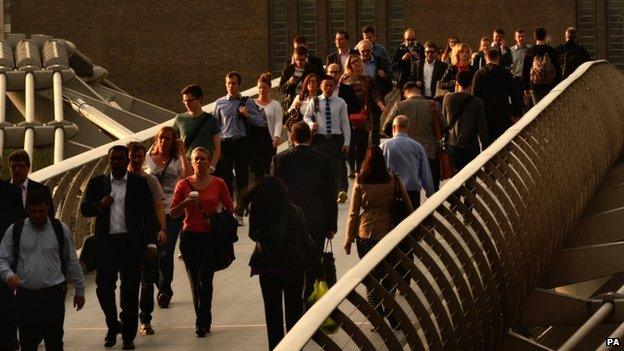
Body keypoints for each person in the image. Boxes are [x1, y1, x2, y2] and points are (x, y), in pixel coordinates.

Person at [80, 145, 158, 350]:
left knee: (130, 291)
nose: (117, 162)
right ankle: (113, 324)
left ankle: (128, 336)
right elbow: (84, 209)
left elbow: (149, 215)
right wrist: (99, 205)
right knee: (104, 288)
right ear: (109, 161)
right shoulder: (98, 183)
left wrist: (151, 242)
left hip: (131, 244)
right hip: (106, 244)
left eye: (120, 159)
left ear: (127, 160)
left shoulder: (139, 183)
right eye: (113, 159)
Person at [0, 188, 85, 351]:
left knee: (54, 342)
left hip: (53, 297)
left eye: (41, 211)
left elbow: (72, 261)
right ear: (27, 210)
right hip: (26, 298)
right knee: (28, 343)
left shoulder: (60, 229)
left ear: (48, 208)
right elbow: (2, 258)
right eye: (33, 212)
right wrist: (8, 274)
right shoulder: (16, 230)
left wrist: (80, 291)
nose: (37, 215)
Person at [243, 176, 321, 350]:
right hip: (293, 266)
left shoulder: (258, 212)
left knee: (273, 315)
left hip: (267, 267)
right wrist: (317, 267)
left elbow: (253, 235)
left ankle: (276, 347)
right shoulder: (295, 211)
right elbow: (306, 240)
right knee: (294, 312)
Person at [343, 145, 412, 325]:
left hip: (365, 233)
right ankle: (391, 313)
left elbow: (353, 213)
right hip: (389, 232)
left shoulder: (360, 180)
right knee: (388, 275)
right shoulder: (393, 179)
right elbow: (407, 205)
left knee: (371, 278)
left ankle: (377, 318)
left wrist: (348, 239)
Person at [170, 147, 234, 337]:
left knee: (205, 279)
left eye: (203, 159)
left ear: (209, 162)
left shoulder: (219, 183)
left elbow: (230, 209)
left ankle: (203, 320)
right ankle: (201, 319)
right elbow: (173, 212)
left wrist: (213, 219)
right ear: (191, 162)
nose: (199, 162)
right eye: (196, 159)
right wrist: (185, 204)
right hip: (189, 236)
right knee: (194, 281)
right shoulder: (183, 185)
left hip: (209, 237)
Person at [271, 122, 337, 300]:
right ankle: (308, 299)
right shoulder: (324, 159)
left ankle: (296, 301)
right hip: (317, 221)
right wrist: (331, 225)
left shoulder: (280, 160)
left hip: (289, 223)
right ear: (310, 137)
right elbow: (330, 194)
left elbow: (274, 195)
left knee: (292, 263)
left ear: (291, 138)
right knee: (313, 262)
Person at [145, 126, 192, 308]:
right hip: (151, 211)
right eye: (161, 138)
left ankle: (164, 290)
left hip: (172, 210)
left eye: (168, 139)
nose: (164, 141)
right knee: (154, 253)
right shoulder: (147, 159)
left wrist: (181, 153)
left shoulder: (175, 160)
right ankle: (161, 285)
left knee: (166, 251)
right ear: (156, 139)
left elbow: (187, 175)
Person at [127, 142, 168, 336]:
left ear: (144, 158)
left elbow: (158, 207)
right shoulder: (118, 181)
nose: (135, 160)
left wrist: (162, 229)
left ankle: (145, 319)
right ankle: (127, 318)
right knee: (128, 281)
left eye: (139, 157)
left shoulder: (150, 181)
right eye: (132, 156)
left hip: (146, 236)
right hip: (125, 239)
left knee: (146, 279)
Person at [214, 71, 264, 225]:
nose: (230, 86)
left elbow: (261, 121)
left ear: (239, 84)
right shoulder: (219, 103)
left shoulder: (246, 101)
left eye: (234, 83)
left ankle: (240, 211)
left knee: (242, 178)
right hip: (226, 143)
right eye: (228, 83)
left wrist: (247, 114)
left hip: (242, 143)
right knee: (226, 178)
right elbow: (215, 125)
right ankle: (229, 210)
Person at [383, 82, 444, 191]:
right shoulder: (433, 105)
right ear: (419, 92)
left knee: (408, 188)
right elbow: (444, 126)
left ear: (405, 94)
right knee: (433, 188)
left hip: (407, 154)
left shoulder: (400, 106)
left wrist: (397, 140)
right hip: (430, 152)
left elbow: (386, 127)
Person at [303, 75, 351, 203]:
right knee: (320, 165)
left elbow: (345, 123)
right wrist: (311, 124)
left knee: (338, 165)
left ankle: (340, 191)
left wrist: (346, 142)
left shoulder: (340, 102)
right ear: (321, 86)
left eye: (331, 85)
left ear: (334, 87)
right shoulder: (315, 101)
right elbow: (306, 117)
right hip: (320, 138)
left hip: (336, 138)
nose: (329, 88)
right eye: (326, 85)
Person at [341, 55, 385, 175]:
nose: (357, 63)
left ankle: (359, 167)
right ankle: (350, 167)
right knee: (350, 142)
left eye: (358, 61)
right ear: (349, 66)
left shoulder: (368, 79)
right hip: (348, 114)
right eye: (353, 62)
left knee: (362, 143)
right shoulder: (345, 79)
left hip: (364, 114)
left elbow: (375, 94)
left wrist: (381, 106)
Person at [381, 115, 434, 208]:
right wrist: (430, 194)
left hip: (391, 193)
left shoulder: (384, 146)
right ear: (408, 128)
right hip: (412, 194)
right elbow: (425, 173)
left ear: (393, 128)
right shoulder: (418, 147)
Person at [473, 49, 523, 143]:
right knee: (504, 144)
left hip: (486, 116)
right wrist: (517, 113)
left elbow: (474, 96)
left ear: (485, 58)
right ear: (498, 58)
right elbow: (514, 94)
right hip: (503, 114)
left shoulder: (478, 74)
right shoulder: (506, 73)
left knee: (487, 145)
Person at [443, 70, 489, 171]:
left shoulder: (448, 98)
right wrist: (486, 151)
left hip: (453, 145)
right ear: (472, 83)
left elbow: (444, 122)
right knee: (471, 179)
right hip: (471, 147)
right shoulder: (477, 102)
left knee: (456, 178)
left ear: (457, 83)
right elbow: (482, 130)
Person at [0, 156, 23, 351]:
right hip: (7, 254)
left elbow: (19, 224)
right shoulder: (12, 191)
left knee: (8, 299)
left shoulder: (12, 191)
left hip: (6, 255)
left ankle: (9, 338)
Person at [172, 84, 221, 164]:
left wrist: (212, 166)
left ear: (199, 99)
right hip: (187, 164)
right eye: (184, 101)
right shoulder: (180, 119)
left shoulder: (211, 120)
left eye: (190, 100)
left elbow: (217, 148)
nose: (186, 103)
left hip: (206, 164)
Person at [251, 73, 284, 178]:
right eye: (259, 88)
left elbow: (279, 121)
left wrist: (277, 136)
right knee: (257, 171)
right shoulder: (252, 103)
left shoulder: (275, 104)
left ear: (269, 88)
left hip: (268, 140)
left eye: (264, 88)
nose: (261, 90)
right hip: (255, 139)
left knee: (268, 169)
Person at [8, 149, 54, 216]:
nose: (17, 169)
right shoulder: (2, 188)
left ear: (28, 167)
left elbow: (49, 216)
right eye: (14, 166)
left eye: (20, 166)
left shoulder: (42, 190)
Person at [522, 27, 561, 105]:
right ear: (545, 36)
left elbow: (525, 70)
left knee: (537, 109)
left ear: (535, 37)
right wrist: (557, 84)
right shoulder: (551, 51)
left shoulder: (530, 51)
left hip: (535, 86)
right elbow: (557, 69)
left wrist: (526, 87)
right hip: (550, 85)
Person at [279, 46, 320, 111]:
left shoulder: (312, 69)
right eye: (297, 59)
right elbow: (281, 89)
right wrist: (290, 82)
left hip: (308, 102)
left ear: (306, 58)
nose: (299, 62)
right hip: (292, 102)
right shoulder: (288, 69)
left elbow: (318, 87)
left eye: (301, 60)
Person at [510, 29, 532, 109]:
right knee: (518, 101)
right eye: (519, 37)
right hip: (516, 79)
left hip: (528, 78)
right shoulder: (511, 51)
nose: (521, 39)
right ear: (515, 38)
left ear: (525, 37)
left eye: (522, 37)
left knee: (529, 101)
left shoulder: (530, 49)